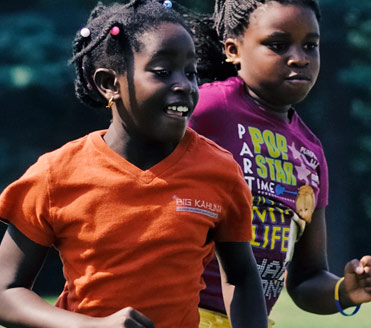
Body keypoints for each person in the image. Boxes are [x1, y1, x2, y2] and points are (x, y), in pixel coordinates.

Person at [0, 1, 266, 327]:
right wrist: (93, 326)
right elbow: (5, 291)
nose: (184, 85)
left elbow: (240, 277)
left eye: (191, 72)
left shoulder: (220, 171)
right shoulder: (55, 175)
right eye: (162, 72)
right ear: (109, 84)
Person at [187, 0, 371, 325]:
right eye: (278, 45)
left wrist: (346, 291)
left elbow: (306, 278)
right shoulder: (208, 109)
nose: (300, 57)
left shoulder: (310, 151)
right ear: (233, 49)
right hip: (184, 316)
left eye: (311, 45)